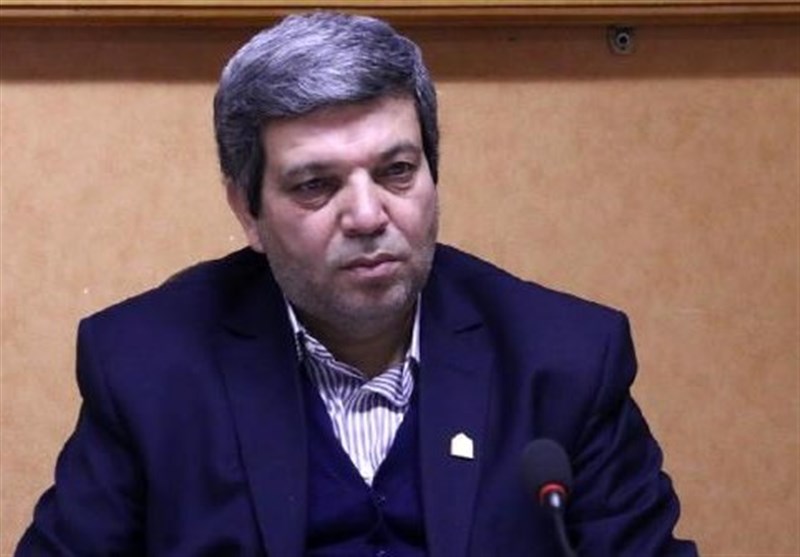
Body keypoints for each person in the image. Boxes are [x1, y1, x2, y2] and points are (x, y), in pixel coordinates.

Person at [17, 11, 698, 556]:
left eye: (397, 171)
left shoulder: (563, 361)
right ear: (247, 211)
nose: (369, 216)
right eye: (317, 185)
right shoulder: (148, 369)